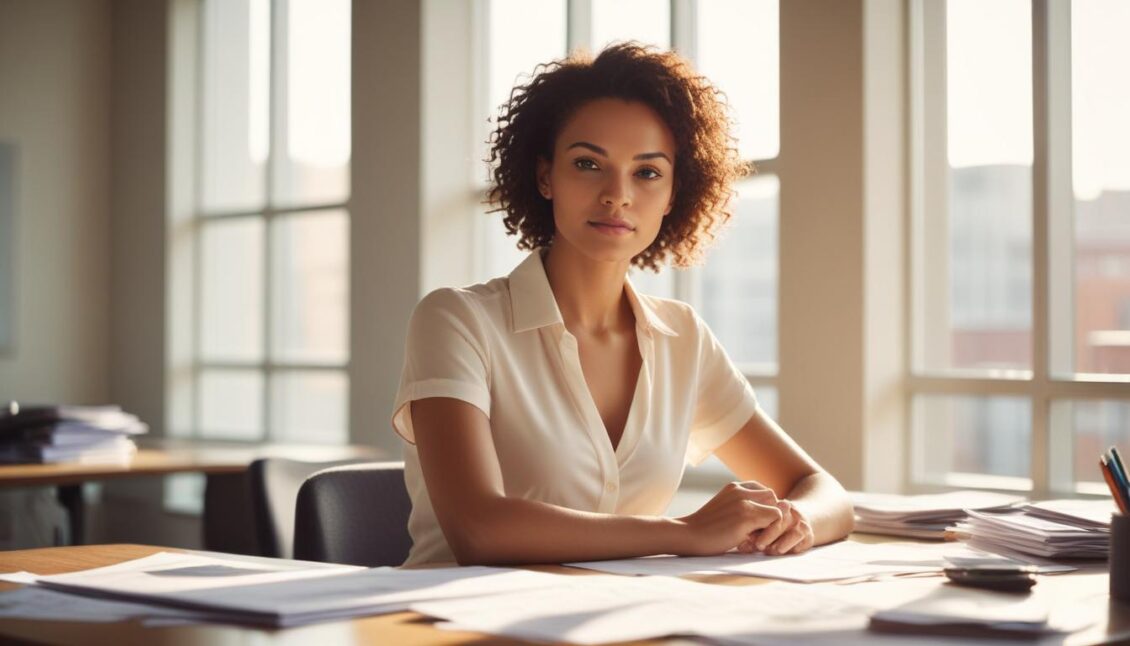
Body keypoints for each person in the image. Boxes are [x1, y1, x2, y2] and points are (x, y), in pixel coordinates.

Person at [391, 43, 853, 566]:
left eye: (647, 172)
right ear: (546, 176)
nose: (617, 195)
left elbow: (824, 492)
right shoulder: (456, 321)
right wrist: (684, 532)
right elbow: (479, 529)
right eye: (588, 164)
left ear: (676, 192)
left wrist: (796, 524)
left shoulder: (683, 339)